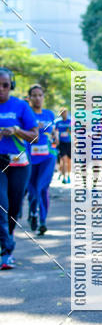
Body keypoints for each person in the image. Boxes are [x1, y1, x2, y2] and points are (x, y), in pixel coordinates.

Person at [0, 68, 38, 268]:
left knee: (14, 207)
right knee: (1, 204)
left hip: (19, 163)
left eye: (5, 85)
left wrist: (16, 131)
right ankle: (6, 252)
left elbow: (35, 135)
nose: (1, 89)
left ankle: (7, 238)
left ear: (11, 86)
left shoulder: (21, 106)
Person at [26, 84, 56, 236]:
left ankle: (42, 221)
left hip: (47, 157)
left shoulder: (49, 114)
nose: (37, 98)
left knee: (42, 188)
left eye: (40, 95)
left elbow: (54, 132)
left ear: (43, 97)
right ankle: (33, 213)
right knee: (32, 191)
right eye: (34, 95)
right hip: (29, 158)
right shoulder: (26, 114)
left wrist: (55, 136)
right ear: (29, 98)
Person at [55, 107, 71, 183]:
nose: (64, 114)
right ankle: (64, 177)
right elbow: (55, 132)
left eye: (65, 112)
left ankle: (69, 175)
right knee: (64, 159)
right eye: (62, 112)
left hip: (70, 143)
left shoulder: (70, 121)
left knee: (69, 161)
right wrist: (57, 138)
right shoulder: (57, 122)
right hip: (61, 143)